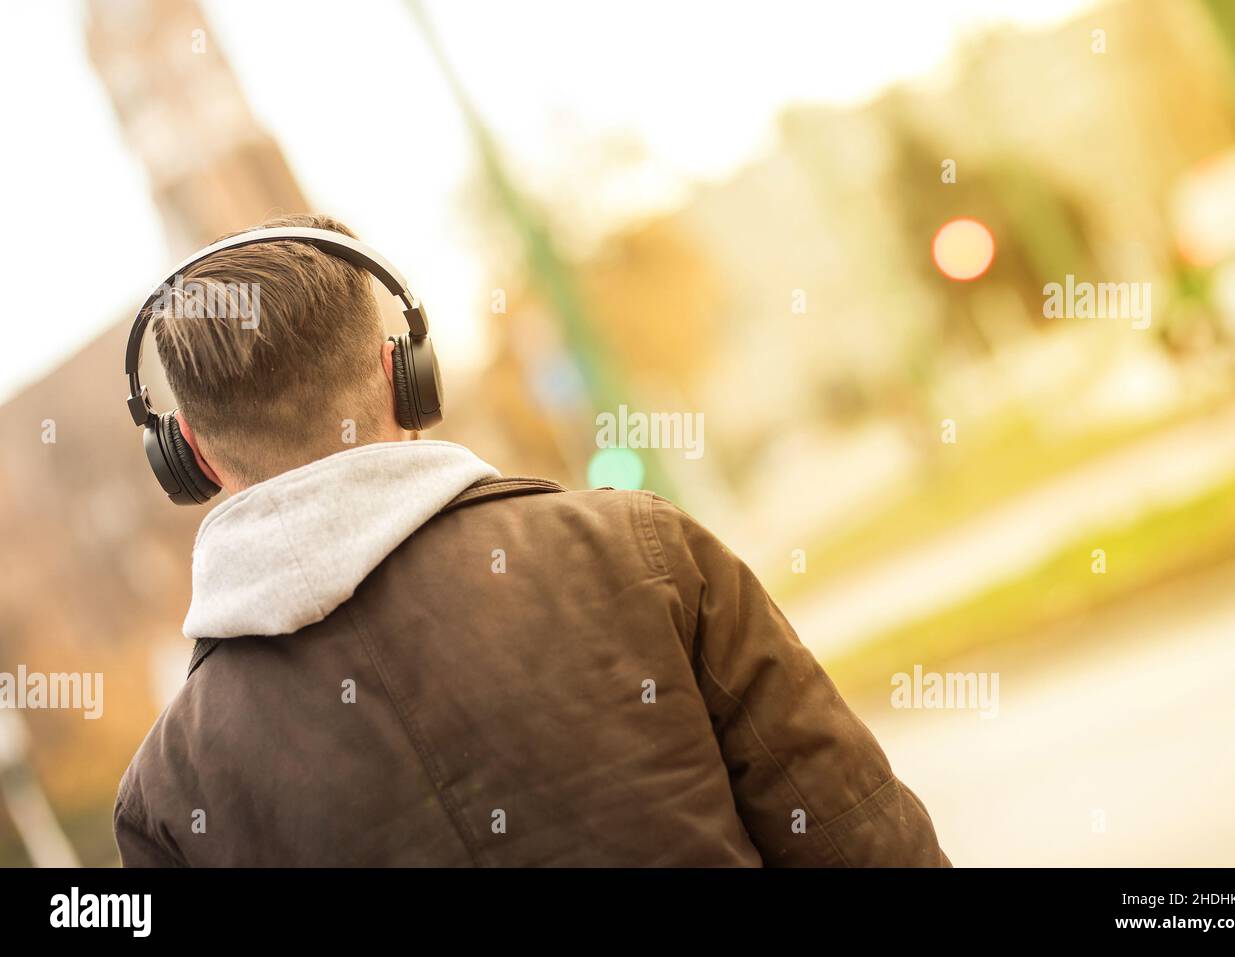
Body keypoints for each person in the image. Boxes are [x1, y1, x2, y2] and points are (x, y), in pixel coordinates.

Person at [114, 213, 949, 867]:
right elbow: (865, 845)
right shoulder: (641, 551)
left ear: (187, 451)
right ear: (403, 374)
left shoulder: (166, 795)